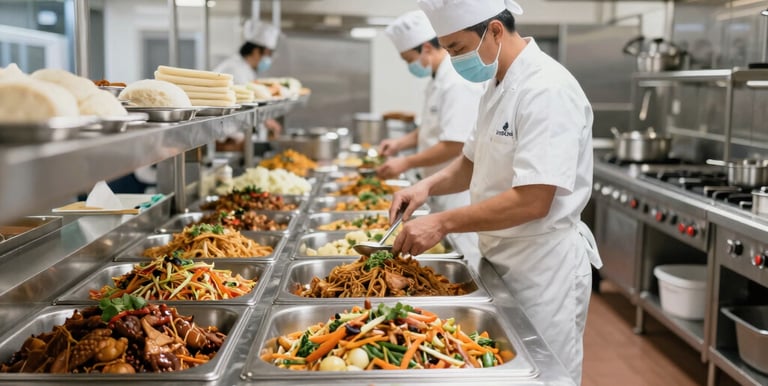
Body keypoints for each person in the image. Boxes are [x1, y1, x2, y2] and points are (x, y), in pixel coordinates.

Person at [390, 0, 603, 384]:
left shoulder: (547, 89)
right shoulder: (497, 84)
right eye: (449, 49)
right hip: (500, 256)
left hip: (542, 269)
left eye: (457, 48)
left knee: (543, 375)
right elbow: (471, 161)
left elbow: (534, 200)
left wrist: (442, 222)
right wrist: (425, 186)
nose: (454, 60)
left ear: (495, 30)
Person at [379, 10, 484, 265]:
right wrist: (400, 144)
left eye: (409, 60)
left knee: (464, 257)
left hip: (457, 192)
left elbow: (453, 144)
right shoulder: (437, 79)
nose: (410, 67)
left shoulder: (456, 82)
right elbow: (430, 129)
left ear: (426, 48)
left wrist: (406, 162)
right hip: (439, 186)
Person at [213, 19, 279, 84]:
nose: (269, 59)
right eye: (268, 54)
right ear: (256, 52)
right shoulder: (234, 70)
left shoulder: (246, 69)